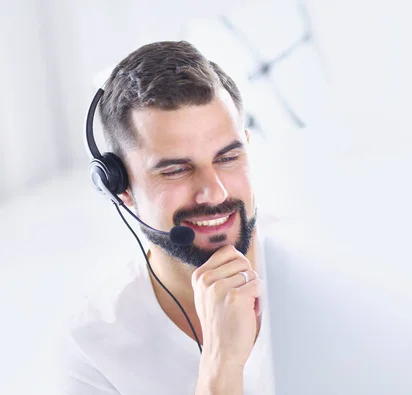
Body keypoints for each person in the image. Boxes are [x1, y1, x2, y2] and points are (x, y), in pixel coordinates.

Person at [53, 41, 278, 395]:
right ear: (121, 188)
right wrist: (220, 366)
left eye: (228, 158)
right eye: (176, 170)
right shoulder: (92, 352)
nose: (215, 193)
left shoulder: (332, 262)